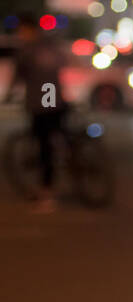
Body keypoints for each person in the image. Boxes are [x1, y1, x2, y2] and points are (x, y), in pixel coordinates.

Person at [9, 13, 71, 213]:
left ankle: (47, 192)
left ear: (27, 29)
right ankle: (66, 153)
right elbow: (63, 63)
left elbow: (18, 77)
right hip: (56, 100)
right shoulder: (50, 45)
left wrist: (9, 96)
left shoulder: (27, 50)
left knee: (45, 147)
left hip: (40, 104)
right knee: (56, 137)